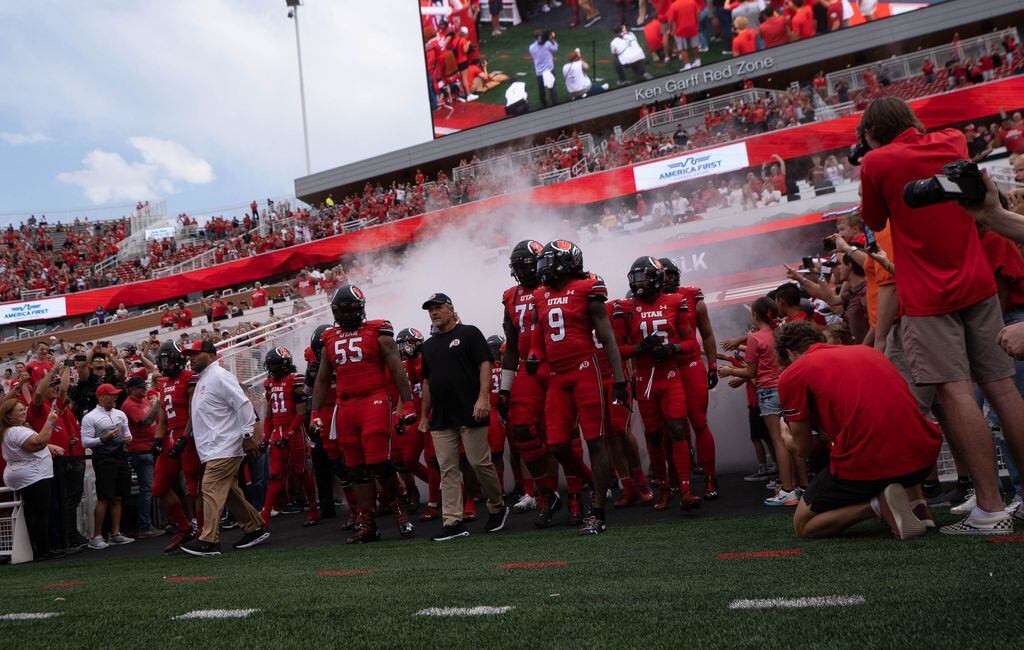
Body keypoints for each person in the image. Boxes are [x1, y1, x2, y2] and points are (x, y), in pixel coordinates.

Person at [859, 96, 1024, 535]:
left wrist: (873, 159)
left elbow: (874, 219)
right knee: (1003, 388)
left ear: (872, 133)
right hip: (978, 282)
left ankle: (990, 508)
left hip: (928, 295)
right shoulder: (952, 139)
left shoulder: (876, 161)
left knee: (955, 393)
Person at [776, 321, 942, 539]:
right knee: (895, 433)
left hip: (869, 464)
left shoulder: (793, 373)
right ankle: (919, 507)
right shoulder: (868, 352)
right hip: (924, 459)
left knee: (803, 525)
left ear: (789, 353)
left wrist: (786, 436)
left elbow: (803, 450)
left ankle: (877, 505)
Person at [529, 240, 629, 535]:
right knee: (557, 444)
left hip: (585, 369)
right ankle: (593, 481)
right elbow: (539, 335)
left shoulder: (588, 288)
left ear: (566, 263)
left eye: (549, 261)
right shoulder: (540, 296)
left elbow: (607, 337)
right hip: (558, 376)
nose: (543, 268)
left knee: (595, 440)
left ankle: (597, 511)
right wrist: (535, 355)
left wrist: (620, 380)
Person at [311, 285, 418, 544]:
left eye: (351, 308)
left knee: (379, 463)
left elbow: (397, 370)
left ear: (360, 308)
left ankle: (396, 505)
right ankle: (368, 522)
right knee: (356, 470)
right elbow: (322, 379)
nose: (346, 314)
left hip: (374, 399)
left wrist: (409, 404)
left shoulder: (379, 331)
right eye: (341, 309)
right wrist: (315, 411)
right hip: (345, 406)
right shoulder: (328, 338)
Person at [418, 293, 509, 541]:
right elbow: (427, 381)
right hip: (442, 416)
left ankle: (497, 505)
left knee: (479, 463)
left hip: (470, 410)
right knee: (447, 469)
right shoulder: (428, 346)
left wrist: (483, 398)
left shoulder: (469, 333)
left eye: (438, 308)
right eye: (430, 310)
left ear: (450, 309)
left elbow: (485, 365)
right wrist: (424, 415)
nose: (434, 313)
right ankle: (452, 522)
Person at [618, 257, 703, 512]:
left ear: (657, 278)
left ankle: (686, 490)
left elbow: (692, 344)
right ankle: (664, 489)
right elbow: (619, 349)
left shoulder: (676, 301)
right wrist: (639, 348)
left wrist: (672, 348)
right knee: (653, 436)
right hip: (645, 378)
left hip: (669, 373)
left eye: (643, 277)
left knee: (678, 428)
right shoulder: (624, 307)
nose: (638, 283)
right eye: (635, 277)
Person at [179, 340, 269, 556]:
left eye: (195, 354)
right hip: (215, 447)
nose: (190, 358)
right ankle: (255, 528)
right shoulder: (205, 378)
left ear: (210, 354)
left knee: (209, 487)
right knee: (228, 492)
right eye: (189, 354)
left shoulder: (219, 376)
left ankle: (208, 540)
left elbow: (243, 404)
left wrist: (248, 435)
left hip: (224, 446)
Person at [719, 297, 809, 506]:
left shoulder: (755, 338)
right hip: (787, 387)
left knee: (778, 441)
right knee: (794, 438)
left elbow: (750, 371)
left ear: (755, 316)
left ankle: (787, 490)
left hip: (768, 391)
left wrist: (730, 370)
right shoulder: (780, 334)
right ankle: (804, 486)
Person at [660, 258, 720, 499]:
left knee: (698, 421)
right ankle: (675, 476)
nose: (668, 280)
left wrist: (713, 364)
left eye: (672, 275)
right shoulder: (643, 302)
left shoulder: (692, 297)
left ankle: (709, 476)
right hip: (663, 368)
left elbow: (707, 334)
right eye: (664, 275)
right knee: (669, 426)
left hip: (689, 363)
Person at [260, 347, 320, 528]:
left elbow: (301, 414)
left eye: (274, 365)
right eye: (270, 365)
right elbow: (270, 415)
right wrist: (265, 438)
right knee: (275, 474)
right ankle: (264, 516)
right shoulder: (269, 383)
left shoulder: (295, 380)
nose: (271, 369)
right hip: (278, 430)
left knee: (302, 472)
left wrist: (289, 434)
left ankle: (313, 508)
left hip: (295, 432)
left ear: (284, 364)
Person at [1, 399, 61, 560]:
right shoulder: (16, 431)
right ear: (8, 416)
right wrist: (49, 422)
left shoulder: (12, 431)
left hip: (29, 475)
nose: (24, 412)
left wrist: (50, 447)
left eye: (23, 408)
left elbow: (28, 447)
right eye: (19, 410)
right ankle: (43, 550)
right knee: (40, 513)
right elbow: (38, 443)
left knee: (37, 512)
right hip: (33, 476)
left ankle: (41, 548)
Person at [80, 384, 135, 550]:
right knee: (104, 496)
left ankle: (115, 533)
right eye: (112, 395)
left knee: (118, 496)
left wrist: (128, 439)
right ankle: (96, 536)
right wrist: (104, 438)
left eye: (116, 395)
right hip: (103, 458)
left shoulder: (120, 414)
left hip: (119, 456)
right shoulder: (90, 417)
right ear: (101, 397)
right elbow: (85, 442)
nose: (115, 397)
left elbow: (127, 433)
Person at [121, 376, 162, 538]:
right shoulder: (128, 404)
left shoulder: (143, 399)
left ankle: (155, 523)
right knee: (146, 489)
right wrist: (157, 403)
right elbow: (146, 421)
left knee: (152, 488)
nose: (144, 390)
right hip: (141, 451)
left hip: (151, 448)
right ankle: (144, 527)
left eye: (144, 387)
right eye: (140, 388)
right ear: (131, 390)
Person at [528, 30, 559, 109]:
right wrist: (553, 41)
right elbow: (555, 49)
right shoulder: (547, 44)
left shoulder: (531, 47)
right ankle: (555, 103)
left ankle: (544, 104)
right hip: (549, 70)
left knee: (541, 90)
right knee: (552, 88)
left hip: (539, 72)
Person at [667, 0, 701, 70]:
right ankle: (698, 61)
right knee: (695, 45)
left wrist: (670, 30)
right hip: (692, 27)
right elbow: (698, 13)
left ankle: (687, 65)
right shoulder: (692, 2)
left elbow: (670, 21)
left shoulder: (673, 6)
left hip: (680, 30)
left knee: (682, 48)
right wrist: (696, 22)